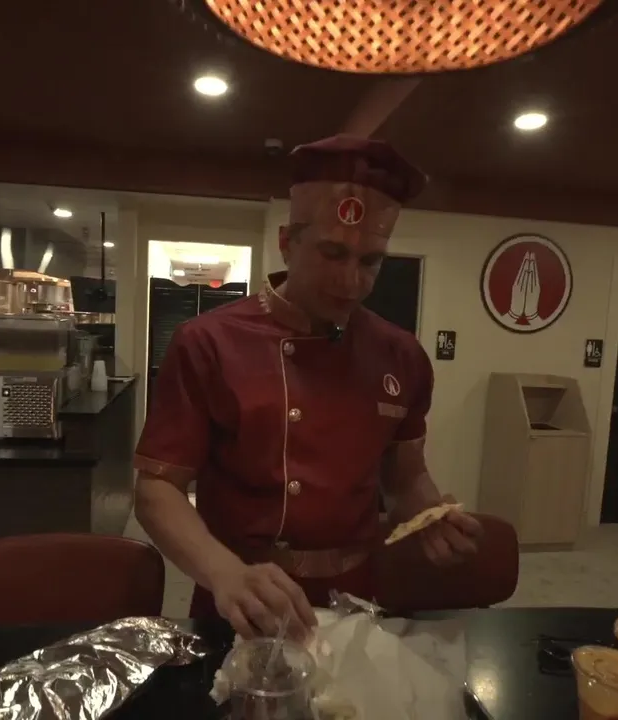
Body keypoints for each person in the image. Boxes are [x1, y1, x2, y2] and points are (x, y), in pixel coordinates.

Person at [133, 135, 483, 638]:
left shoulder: (402, 355)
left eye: (370, 261)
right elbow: (157, 489)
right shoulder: (208, 341)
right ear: (287, 242)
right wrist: (224, 572)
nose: (351, 281)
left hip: (358, 596)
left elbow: (405, 477)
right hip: (245, 596)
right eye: (332, 253)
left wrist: (428, 513)